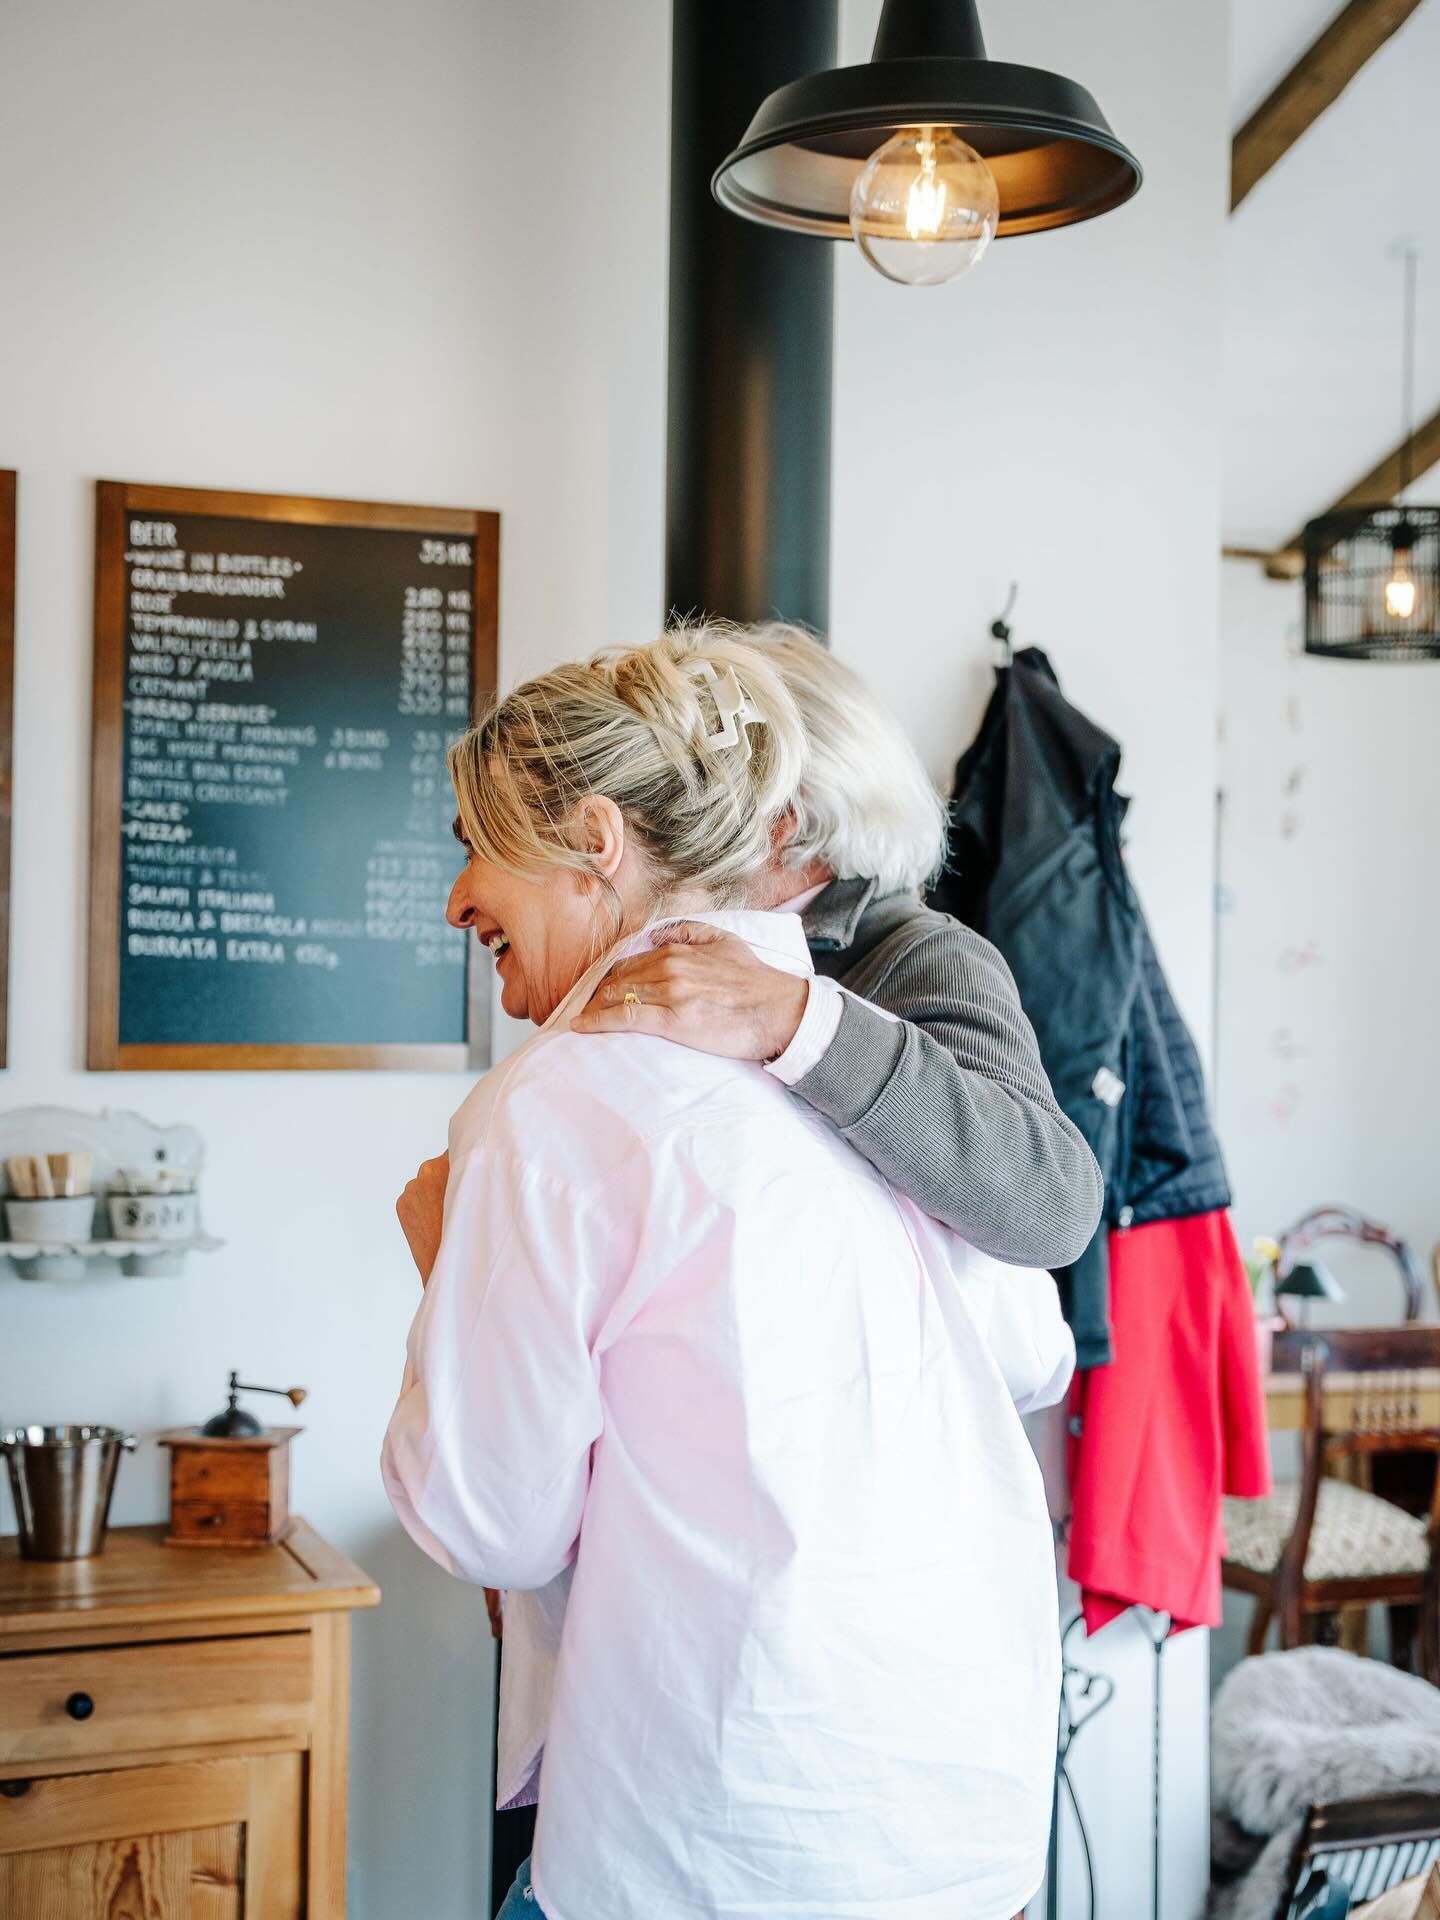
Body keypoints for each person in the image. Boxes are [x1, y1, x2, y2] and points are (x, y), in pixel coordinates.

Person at [382, 626, 1073, 1920]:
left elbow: (488, 1520)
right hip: (954, 1825)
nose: (456, 896)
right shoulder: (863, 1071)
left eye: (474, 840)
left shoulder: (567, 1107)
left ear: (599, 839)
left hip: (712, 1840)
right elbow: (1032, 1350)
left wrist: (450, 1279)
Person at [573, 623, 1102, 1273]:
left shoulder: (918, 952)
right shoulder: (678, 937)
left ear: (780, 820)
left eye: (693, 788)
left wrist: (797, 1019)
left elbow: (1055, 1206)